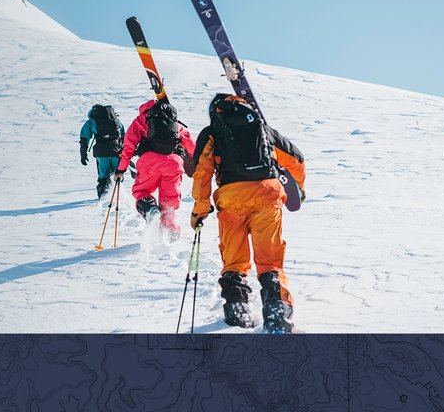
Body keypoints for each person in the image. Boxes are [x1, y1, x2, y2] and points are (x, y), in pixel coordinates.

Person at [189, 94, 306, 333]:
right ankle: (278, 315)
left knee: (234, 260)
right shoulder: (262, 128)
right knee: (270, 260)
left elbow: (201, 172)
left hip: (232, 199)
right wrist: (300, 188)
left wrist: (200, 210)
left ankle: (237, 312)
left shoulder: (211, 132)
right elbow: (296, 159)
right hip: (267, 195)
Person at [113, 99, 195, 237]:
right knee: (169, 200)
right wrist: (207, 162)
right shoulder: (174, 121)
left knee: (142, 191)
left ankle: (150, 210)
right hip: (174, 164)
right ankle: (171, 229)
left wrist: (121, 169)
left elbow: (128, 147)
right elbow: (192, 144)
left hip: (149, 163)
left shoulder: (141, 120)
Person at [80, 104, 125, 198]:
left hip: (101, 152)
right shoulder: (116, 120)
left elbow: (84, 137)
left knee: (103, 176)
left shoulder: (91, 121)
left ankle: (103, 196)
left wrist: (83, 153)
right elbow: (124, 136)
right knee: (117, 173)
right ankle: (118, 196)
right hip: (116, 151)